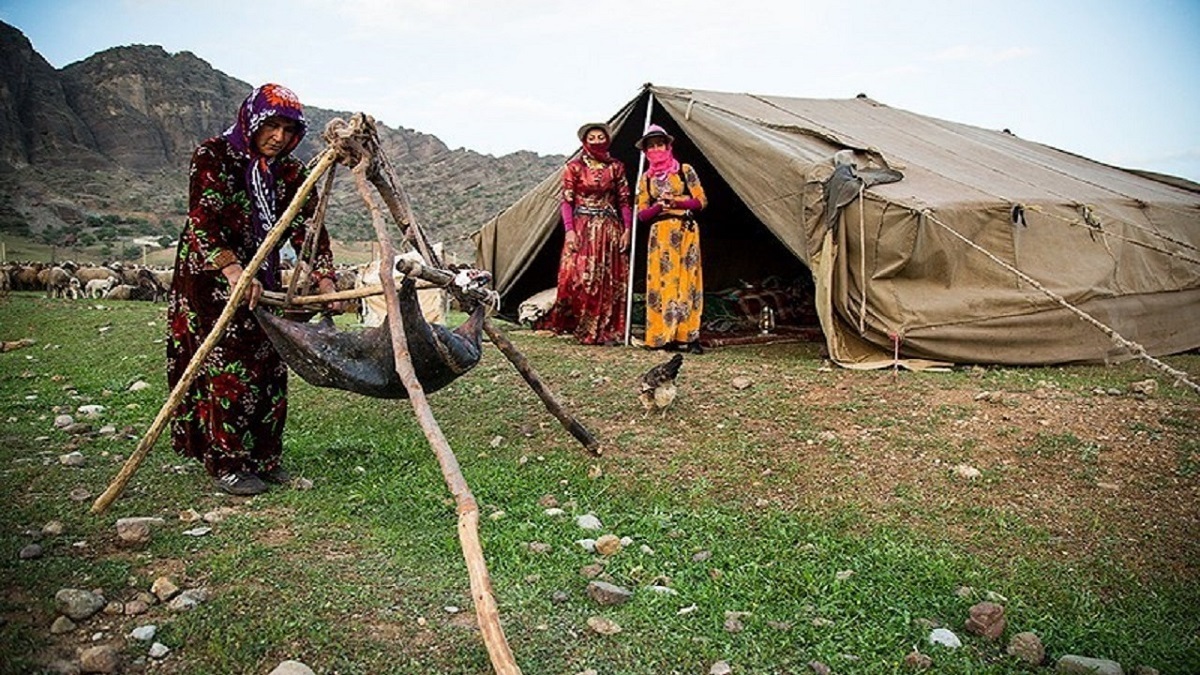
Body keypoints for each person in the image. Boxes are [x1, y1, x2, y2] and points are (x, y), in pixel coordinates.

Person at [166, 83, 342, 495]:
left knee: (269, 364)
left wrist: (324, 276)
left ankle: (265, 458)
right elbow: (202, 220)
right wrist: (231, 270)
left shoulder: (292, 172)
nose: (278, 137)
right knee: (227, 368)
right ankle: (227, 462)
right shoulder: (213, 156)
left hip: (262, 279)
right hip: (209, 279)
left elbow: (308, 226)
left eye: (288, 129)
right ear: (253, 120)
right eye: (271, 126)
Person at [534, 122, 632, 345]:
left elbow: (624, 201)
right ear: (584, 142)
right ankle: (580, 324)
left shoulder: (616, 167)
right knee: (578, 276)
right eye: (592, 138)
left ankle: (606, 326)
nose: (597, 141)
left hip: (609, 228)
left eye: (601, 137)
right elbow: (566, 202)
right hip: (582, 226)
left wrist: (627, 229)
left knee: (608, 278)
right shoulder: (574, 167)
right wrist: (569, 231)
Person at [635, 124, 708, 354]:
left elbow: (701, 201)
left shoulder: (684, 171)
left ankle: (687, 335)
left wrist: (677, 202)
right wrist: (659, 206)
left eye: (660, 144)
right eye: (651, 146)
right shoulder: (645, 179)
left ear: (668, 146)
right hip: (660, 234)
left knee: (688, 281)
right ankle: (662, 336)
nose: (656, 149)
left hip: (685, 230)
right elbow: (642, 214)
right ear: (646, 151)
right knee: (661, 283)